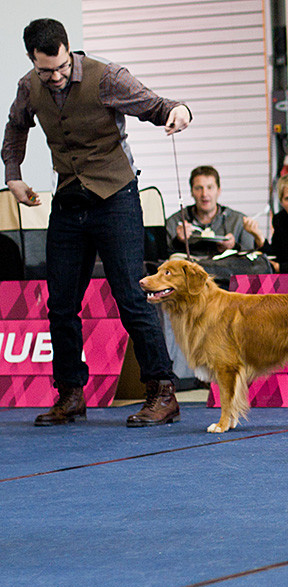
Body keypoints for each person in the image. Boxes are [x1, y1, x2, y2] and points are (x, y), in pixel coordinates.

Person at [2, 18, 191, 427]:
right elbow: (16, 128)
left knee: (132, 296)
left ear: (69, 50)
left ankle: (163, 392)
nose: (55, 77)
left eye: (61, 67)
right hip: (69, 201)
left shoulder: (107, 77)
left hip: (116, 198)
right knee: (61, 305)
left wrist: (179, 110)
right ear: (32, 60)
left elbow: (155, 105)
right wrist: (13, 176)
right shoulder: (29, 87)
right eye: (46, 70)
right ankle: (70, 394)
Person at [165, 165, 264, 256]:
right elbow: (162, 257)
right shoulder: (175, 222)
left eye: (210, 187)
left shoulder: (239, 222)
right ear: (191, 192)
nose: (204, 194)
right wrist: (178, 241)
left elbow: (252, 258)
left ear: (218, 190)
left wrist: (234, 247)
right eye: (199, 188)